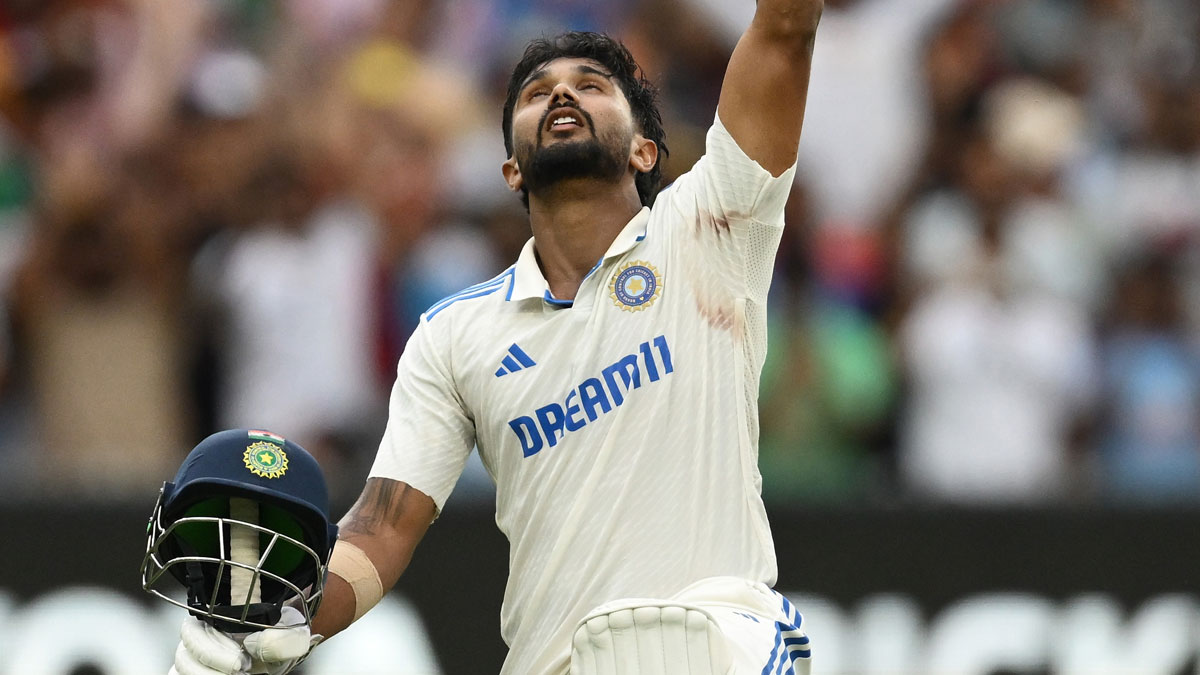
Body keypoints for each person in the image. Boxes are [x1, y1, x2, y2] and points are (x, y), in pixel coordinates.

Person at [170, 1, 823, 672]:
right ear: (511, 167)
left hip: (715, 645)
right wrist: (282, 617)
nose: (562, 94)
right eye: (537, 94)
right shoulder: (454, 336)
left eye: (591, 85)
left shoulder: (709, 231)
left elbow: (785, 30)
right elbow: (381, 530)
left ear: (643, 149)